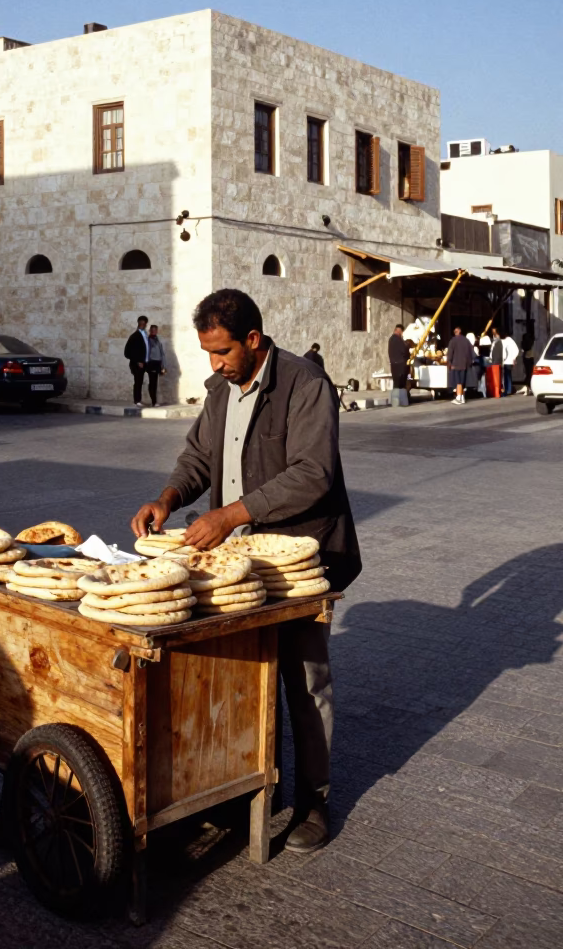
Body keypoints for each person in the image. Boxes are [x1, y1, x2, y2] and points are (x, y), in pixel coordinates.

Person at [130, 288, 361, 854]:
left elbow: (313, 473)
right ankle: (241, 791)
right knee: (237, 679)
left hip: (300, 558)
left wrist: (232, 514)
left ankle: (314, 800)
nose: (214, 365)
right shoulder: (219, 390)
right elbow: (199, 459)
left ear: (253, 341)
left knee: (304, 680)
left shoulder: (306, 385)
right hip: (238, 564)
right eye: (208, 353)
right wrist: (168, 496)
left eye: (222, 353)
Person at [124, 315, 150, 406]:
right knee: (138, 382)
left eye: (144, 323)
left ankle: (140, 400)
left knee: (141, 381)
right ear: (138, 323)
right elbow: (127, 352)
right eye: (141, 323)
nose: (142, 325)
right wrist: (138, 361)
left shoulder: (145, 335)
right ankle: (137, 400)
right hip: (137, 364)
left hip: (145, 363)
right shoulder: (134, 336)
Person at [447, 326, 475, 406]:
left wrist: (449, 362)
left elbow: (450, 353)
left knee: (458, 381)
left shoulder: (453, 341)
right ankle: (462, 397)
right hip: (464, 364)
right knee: (462, 381)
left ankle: (458, 397)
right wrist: (469, 363)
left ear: (456, 332)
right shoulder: (466, 340)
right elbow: (471, 352)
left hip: (456, 364)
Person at [145, 324, 167, 407]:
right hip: (151, 363)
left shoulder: (157, 340)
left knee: (155, 382)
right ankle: (154, 401)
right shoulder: (148, 341)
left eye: (155, 330)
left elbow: (162, 353)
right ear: (150, 331)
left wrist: (163, 366)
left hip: (158, 363)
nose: (154, 331)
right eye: (152, 330)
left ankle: (154, 400)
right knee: (152, 382)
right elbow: (146, 353)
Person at [388, 324, 409, 395]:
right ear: (400, 331)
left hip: (393, 364)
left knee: (396, 384)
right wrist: (408, 345)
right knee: (401, 385)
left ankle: (395, 399)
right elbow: (404, 350)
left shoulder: (391, 339)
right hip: (400, 365)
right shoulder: (399, 340)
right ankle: (402, 400)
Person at [488, 328, 504, 398]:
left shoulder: (498, 343)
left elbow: (495, 353)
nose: (494, 336)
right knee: (498, 378)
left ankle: (497, 393)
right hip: (497, 362)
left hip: (496, 362)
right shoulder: (497, 342)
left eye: (495, 334)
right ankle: (497, 392)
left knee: (496, 378)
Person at [521, 329, 536, 395]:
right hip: (531, 357)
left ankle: (527, 386)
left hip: (526, 358)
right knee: (530, 373)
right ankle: (530, 387)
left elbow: (523, 349)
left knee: (527, 372)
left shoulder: (523, 342)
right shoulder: (531, 342)